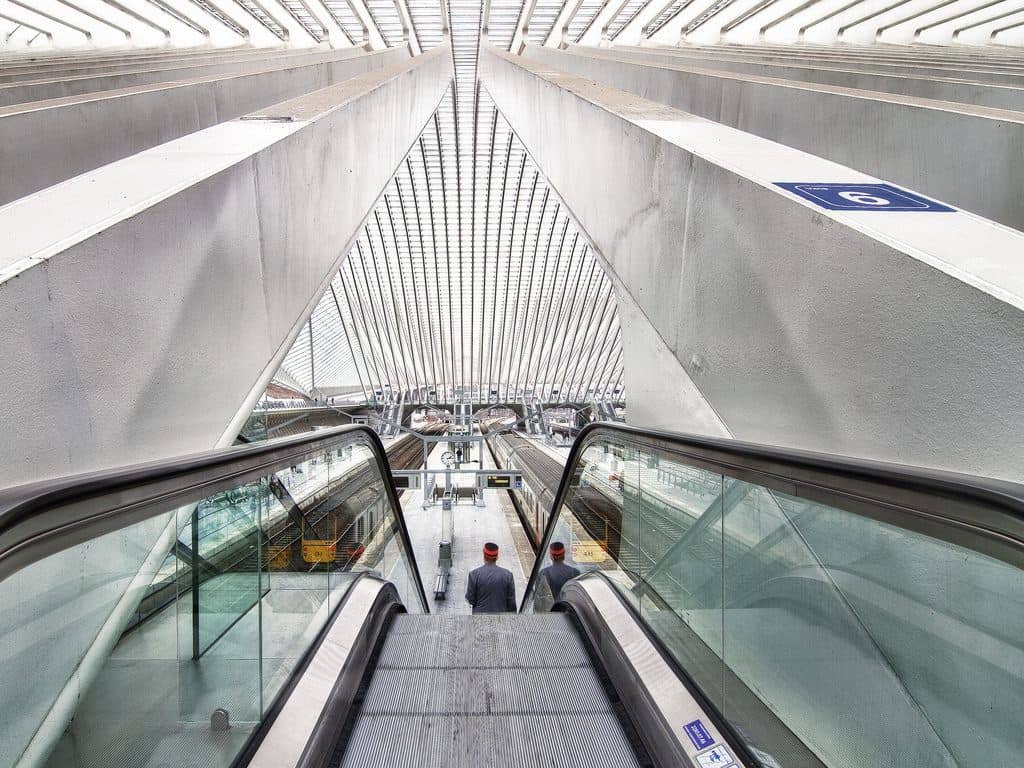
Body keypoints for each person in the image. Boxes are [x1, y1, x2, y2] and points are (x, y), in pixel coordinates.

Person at [465, 542, 516, 613]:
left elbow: (470, 600)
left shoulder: (473, 574)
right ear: (497, 557)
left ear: (484, 555)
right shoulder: (508, 575)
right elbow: (511, 603)